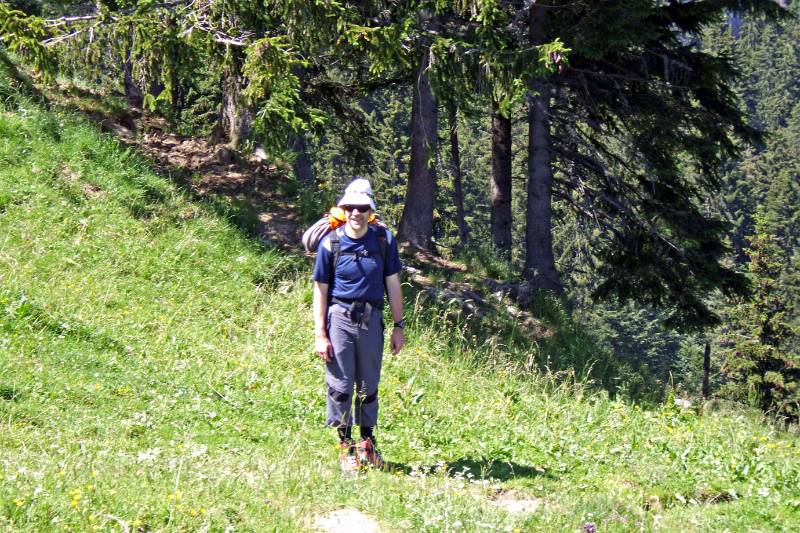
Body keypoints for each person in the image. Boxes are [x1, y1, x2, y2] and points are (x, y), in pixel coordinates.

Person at [312, 178, 405, 472]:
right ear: (344, 209)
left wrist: (398, 326)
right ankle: (345, 447)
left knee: (368, 385)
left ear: (370, 211)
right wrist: (320, 334)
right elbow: (320, 290)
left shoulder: (383, 240)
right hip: (339, 319)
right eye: (351, 207)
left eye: (362, 208)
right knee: (340, 385)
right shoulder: (331, 243)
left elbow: (393, 284)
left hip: (372, 320)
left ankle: (367, 444)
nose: (356, 213)